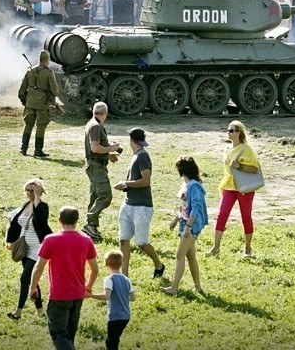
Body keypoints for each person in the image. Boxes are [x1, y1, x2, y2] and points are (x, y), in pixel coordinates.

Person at [29, 206, 98, 350]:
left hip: (58, 295)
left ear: (59, 220)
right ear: (77, 221)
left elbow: (39, 267)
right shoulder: (86, 241)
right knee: (69, 335)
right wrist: (88, 286)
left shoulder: (50, 240)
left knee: (59, 334)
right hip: (78, 295)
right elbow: (95, 269)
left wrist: (33, 287)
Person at [114, 127, 165, 278]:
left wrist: (125, 184)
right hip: (128, 204)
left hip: (142, 206)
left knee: (142, 242)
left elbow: (145, 181)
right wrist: (126, 186)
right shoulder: (137, 155)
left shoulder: (142, 156)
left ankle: (159, 264)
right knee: (123, 240)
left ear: (131, 140)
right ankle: (124, 276)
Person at [207, 121, 260, 258]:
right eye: (228, 130)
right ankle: (216, 247)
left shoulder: (246, 150)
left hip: (244, 188)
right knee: (221, 215)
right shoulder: (227, 149)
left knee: (246, 217)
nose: (228, 132)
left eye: (232, 130)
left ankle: (248, 249)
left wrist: (240, 166)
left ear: (239, 133)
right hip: (229, 186)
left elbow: (255, 169)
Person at [6, 178, 52, 320]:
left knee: (25, 279)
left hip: (37, 249)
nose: (29, 193)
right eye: (27, 190)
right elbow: (15, 224)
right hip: (24, 248)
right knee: (34, 280)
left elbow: (40, 218)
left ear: (38, 191)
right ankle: (40, 311)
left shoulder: (43, 207)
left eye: (32, 190)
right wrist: (10, 241)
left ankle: (18, 312)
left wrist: (38, 197)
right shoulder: (25, 206)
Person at [162, 156, 208, 295]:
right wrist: (176, 220)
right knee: (190, 256)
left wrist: (188, 227)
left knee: (180, 255)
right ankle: (198, 286)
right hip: (184, 222)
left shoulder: (193, 186)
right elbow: (184, 206)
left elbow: (196, 208)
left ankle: (174, 287)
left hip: (190, 224)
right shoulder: (186, 185)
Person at [83, 101, 122, 241]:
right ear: (105, 113)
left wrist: (107, 155)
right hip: (96, 166)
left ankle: (91, 228)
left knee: (95, 196)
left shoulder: (92, 123)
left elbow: (96, 149)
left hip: (96, 164)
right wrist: (110, 149)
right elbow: (94, 148)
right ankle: (90, 220)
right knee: (105, 196)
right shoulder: (95, 126)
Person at [17, 50, 63, 157]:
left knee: (28, 124)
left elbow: (22, 89)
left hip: (30, 102)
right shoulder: (49, 73)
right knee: (41, 126)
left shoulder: (30, 71)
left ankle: (23, 148)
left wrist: (25, 100)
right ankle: (38, 150)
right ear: (47, 60)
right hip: (42, 103)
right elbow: (55, 91)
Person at [89, 250, 136, 350]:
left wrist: (91, 295)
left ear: (106, 264)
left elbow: (106, 296)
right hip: (126, 316)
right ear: (122, 263)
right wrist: (121, 296)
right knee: (115, 340)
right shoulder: (126, 279)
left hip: (115, 316)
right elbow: (133, 297)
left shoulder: (109, 279)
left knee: (111, 343)